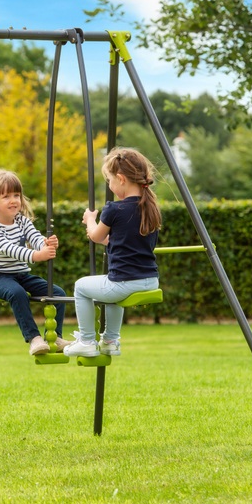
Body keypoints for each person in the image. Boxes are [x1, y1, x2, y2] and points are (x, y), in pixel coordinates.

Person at [64, 147, 162, 358]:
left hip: (124, 281)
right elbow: (121, 241)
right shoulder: (150, 207)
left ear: (121, 179)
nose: (110, 185)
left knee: (81, 287)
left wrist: (90, 220)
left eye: (109, 180)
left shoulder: (114, 209)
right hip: (150, 279)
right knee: (112, 294)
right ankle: (110, 341)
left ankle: (87, 340)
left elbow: (96, 236)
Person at [0, 169, 70, 356]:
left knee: (57, 293)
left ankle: (54, 336)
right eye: (6, 196)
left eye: (17, 195)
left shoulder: (22, 221)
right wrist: (38, 255)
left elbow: (35, 237)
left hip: (20, 274)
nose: (14, 200)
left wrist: (45, 244)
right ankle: (34, 338)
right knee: (17, 293)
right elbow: (10, 249)